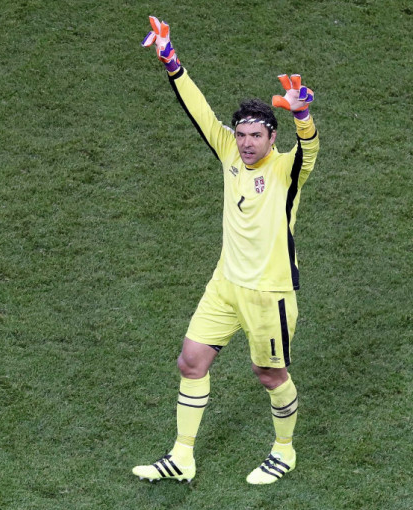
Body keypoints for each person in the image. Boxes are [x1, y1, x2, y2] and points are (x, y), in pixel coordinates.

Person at [133, 16, 320, 485]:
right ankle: (182, 456)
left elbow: (310, 148)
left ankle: (284, 451)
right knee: (191, 361)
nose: (247, 143)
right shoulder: (230, 154)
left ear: (272, 137)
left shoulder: (287, 170)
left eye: (256, 135)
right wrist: (171, 61)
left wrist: (302, 115)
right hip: (225, 284)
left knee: (269, 375)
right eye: (241, 134)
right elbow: (197, 109)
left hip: (269, 294)